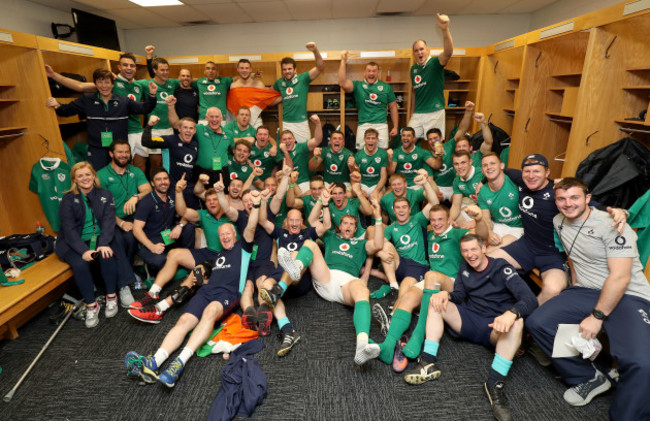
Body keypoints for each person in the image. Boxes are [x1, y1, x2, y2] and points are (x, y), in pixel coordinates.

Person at [526, 178, 650, 420]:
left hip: (628, 295)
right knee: (538, 322)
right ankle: (587, 377)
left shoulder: (612, 225)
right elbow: (575, 257)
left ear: (588, 198)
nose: (567, 204)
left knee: (642, 363)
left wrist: (596, 317)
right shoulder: (558, 221)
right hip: (585, 290)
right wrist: (571, 289)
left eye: (574, 197)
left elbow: (620, 278)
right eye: (561, 199)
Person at [124, 196, 258, 387]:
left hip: (227, 295)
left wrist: (258, 205)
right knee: (184, 321)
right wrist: (200, 281)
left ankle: (178, 364)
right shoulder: (217, 256)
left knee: (211, 311)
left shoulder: (243, 249)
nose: (225, 237)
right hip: (207, 291)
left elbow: (251, 227)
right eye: (222, 235)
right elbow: (209, 278)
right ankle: (154, 361)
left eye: (228, 233)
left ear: (235, 235)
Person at [402, 234, 537, 421]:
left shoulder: (502, 268)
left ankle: (493, 384)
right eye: (465, 251)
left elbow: (530, 300)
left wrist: (511, 313)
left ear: (483, 249)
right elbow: (458, 295)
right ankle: (428, 363)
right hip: (471, 319)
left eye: (474, 249)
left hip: (495, 326)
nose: (470, 254)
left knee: (517, 323)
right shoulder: (465, 267)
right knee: (436, 302)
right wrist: (445, 295)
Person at [276, 199, 385, 365]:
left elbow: (378, 244)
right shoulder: (331, 237)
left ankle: (362, 344)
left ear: (356, 229)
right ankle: (296, 268)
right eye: (345, 223)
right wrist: (322, 202)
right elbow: (313, 222)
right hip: (326, 277)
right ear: (339, 227)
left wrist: (378, 218)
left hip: (348, 283)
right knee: (310, 243)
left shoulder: (361, 244)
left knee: (363, 291)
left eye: (351, 224)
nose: (348, 226)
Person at [128, 177, 230, 323]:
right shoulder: (203, 214)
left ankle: (159, 309)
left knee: (195, 275)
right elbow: (182, 211)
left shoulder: (231, 215)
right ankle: (153, 292)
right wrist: (178, 192)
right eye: (208, 200)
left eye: (215, 199)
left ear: (222, 200)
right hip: (208, 252)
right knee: (174, 254)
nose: (212, 202)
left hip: (225, 257)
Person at [45, 53, 154, 173]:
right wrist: (57, 105)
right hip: (96, 149)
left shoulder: (124, 101)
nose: (104, 86)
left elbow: (145, 108)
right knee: (97, 178)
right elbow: (67, 109)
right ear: (95, 84)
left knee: (121, 177)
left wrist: (152, 95)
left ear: (113, 84)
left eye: (107, 82)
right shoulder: (87, 100)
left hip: (119, 148)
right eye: (100, 82)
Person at [257, 191, 332, 356]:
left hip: (300, 279)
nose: (294, 223)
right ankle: (288, 331)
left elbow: (326, 226)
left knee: (293, 256)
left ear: (302, 222)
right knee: (265, 287)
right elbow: (262, 220)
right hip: (280, 276)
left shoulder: (307, 234)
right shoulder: (280, 234)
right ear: (286, 222)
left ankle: (278, 291)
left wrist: (324, 204)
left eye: (297, 220)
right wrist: (263, 201)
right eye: (291, 220)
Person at [56, 162, 120, 328]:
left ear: (93, 176)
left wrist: (104, 243)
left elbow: (108, 221)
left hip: (98, 238)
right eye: (80, 176)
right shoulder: (68, 200)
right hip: (72, 242)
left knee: (107, 255)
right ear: (75, 180)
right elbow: (68, 230)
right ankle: (92, 306)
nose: (85, 178)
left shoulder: (105, 194)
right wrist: (84, 251)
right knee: (80, 264)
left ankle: (111, 297)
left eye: (87, 174)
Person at [96, 139, 152, 307]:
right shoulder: (101, 175)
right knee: (119, 240)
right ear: (111, 154)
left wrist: (135, 197)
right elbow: (101, 208)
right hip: (110, 220)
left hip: (134, 218)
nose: (124, 155)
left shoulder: (134, 171)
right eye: (120, 152)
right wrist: (120, 223)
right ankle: (124, 286)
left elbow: (147, 189)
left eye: (126, 152)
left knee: (132, 238)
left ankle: (125, 273)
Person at [377, 170, 439, 297]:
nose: (401, 210)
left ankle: (397, 310)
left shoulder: (418, 219)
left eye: (404, 207)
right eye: (398, 208)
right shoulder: (390, 228)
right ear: (393, 211)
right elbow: (378, 244)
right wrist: (380, 253)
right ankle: (393, 285)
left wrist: (425, 183)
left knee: (406, 285)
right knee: (385, 245)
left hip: (417, 265)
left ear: (410, 209)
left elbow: (434, 203)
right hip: (400, 264)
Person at [133, 167, 195, 272]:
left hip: (168, 235)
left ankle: (186, 257)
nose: (163, 182)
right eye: (158, 179)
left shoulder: (172, 194)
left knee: (188, 227)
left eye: (165, 179)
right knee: (160, 261)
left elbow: (186, 213)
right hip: (151, 241)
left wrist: (180, 226)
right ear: (152, 183)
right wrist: (152, 247)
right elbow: (136, 229)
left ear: (169, 181)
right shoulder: (146, 201)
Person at [338, 52, 398, 149]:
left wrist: (395, 127)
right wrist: (343, 61)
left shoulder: (386, 87)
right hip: (363, 124)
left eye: (374, 71)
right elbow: (342, 83)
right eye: (369, 71)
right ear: (364, 73)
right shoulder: (358, 85)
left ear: (378, 73)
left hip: (381, 124)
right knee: (361, 153)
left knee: (382, 154)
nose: (371, 73)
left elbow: (393, 107)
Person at [409, 13, 453, 139]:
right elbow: (414, 92)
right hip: (418, 113)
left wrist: (445, 30)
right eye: (416, 50)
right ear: (413, 54)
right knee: (408, 139)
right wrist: (412, 113)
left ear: (427, 50)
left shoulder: (435, 63)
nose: (419, 52)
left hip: (435, 112)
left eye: (422, 49)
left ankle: (438, 159)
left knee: (436, 145)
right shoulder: (414, 69)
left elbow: (448, 52)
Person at [141, 113, 200, 209]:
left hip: (188, 188)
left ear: (194, 131)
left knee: (194, 217)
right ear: (179, 129)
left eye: (191, 128)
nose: (188, 130)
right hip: (170, 187)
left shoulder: (195, 144)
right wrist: (149, 125)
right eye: (185, 127)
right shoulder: (169, 140)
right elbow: (146, 142)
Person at [170, 104, 232, 189]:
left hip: (222, 173)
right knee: (202, 198)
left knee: (223, 199)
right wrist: (170, 106)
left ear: (222, 118)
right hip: (202, 173)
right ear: (206, 117)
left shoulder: (229, 133)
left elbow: (235, 149)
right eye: (211, 116)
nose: (214, 119)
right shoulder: (198, 129)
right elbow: (177, 125)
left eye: (217, 117)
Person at [272, 42, 324, 143]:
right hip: (286, 123)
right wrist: (282, 97)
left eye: (289, 69)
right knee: (286, 152)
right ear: (282, 71)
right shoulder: (279, 82)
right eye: (284, 69)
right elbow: (269, 96)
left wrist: (315, 51)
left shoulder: (303, 78)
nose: (287, 71)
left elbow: (320, 68)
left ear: (295, 69)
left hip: (301, 123)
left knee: (304, 151)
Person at [475, 152, 523, 250]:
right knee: (474, 242)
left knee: (490, 251)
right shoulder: (482, 191)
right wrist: (489, 232)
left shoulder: (514, 180)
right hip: (499, 225)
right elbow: (486, 219)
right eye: (485, 165)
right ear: (482, 170)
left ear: (502, 166)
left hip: (519, 228)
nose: (489, 167)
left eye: (492, 163)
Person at [280, 114, 323, 192]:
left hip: (303, 182)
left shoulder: (301, 147)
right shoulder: (280, 151)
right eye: (284, 139)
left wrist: (318, 124)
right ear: (281, 142)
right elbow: (290, 169)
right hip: (287, 182)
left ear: (294, 139)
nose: (287, 141)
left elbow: (317, 140)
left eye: (290, 138)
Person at [354, 128, 388, 201]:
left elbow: (383, 176)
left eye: (373, 138)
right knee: (360, 201)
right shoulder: (358, 155)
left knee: (379, 200)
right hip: (363, 185)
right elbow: (355, 176)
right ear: (364, 139)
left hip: (377, 185)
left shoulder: (383, 154)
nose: (370, 140)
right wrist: (360, 190)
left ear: (377, 139)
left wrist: (376, 191)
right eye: (368, 138)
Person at [249, 125, 284, 190]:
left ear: (268, 137)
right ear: (256, 136)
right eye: (260, 134)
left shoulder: (273, 149)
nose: (262, 137)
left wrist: (275, 176)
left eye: (265, 134)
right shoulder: (250, 147)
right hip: (252, 182)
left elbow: (282, 163)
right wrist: (248, 162)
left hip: (268, 184)